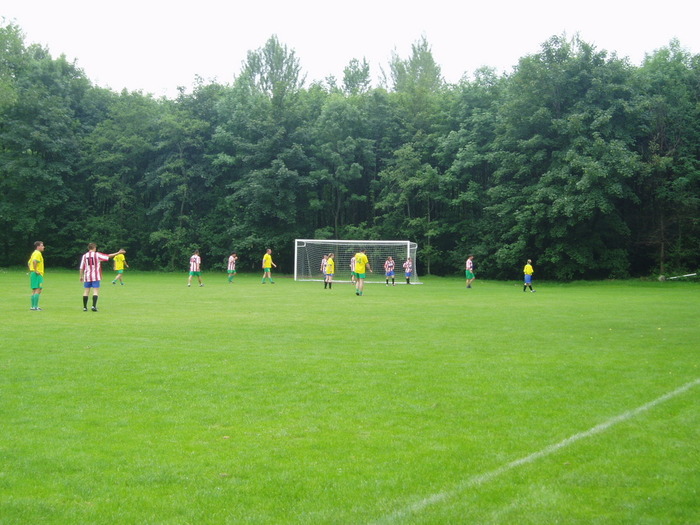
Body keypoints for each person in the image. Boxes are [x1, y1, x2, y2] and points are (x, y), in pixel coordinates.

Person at [80, 243, 125, 311]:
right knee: (95, 291)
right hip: (95, 276)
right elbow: (108, 256)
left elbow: (81, 267)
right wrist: (118, 253)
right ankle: (93, 306)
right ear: (94, 248)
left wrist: (81, 276)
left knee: (86, 291)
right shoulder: (97, 254)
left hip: (87, 276)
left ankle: (85, 307)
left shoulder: (84, 256)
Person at [28, 241, 45, 311]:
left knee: (34, 290)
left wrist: (31, 270)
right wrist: (36, 270)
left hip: (33, 273)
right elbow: (34, 261)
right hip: (37, 274)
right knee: (38, 289)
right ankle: (35, 307)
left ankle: (33, 306)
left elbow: (29, 263)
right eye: (42, 245)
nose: (43, 247)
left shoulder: (34, 253)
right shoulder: (37, 253)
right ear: (38, 247)